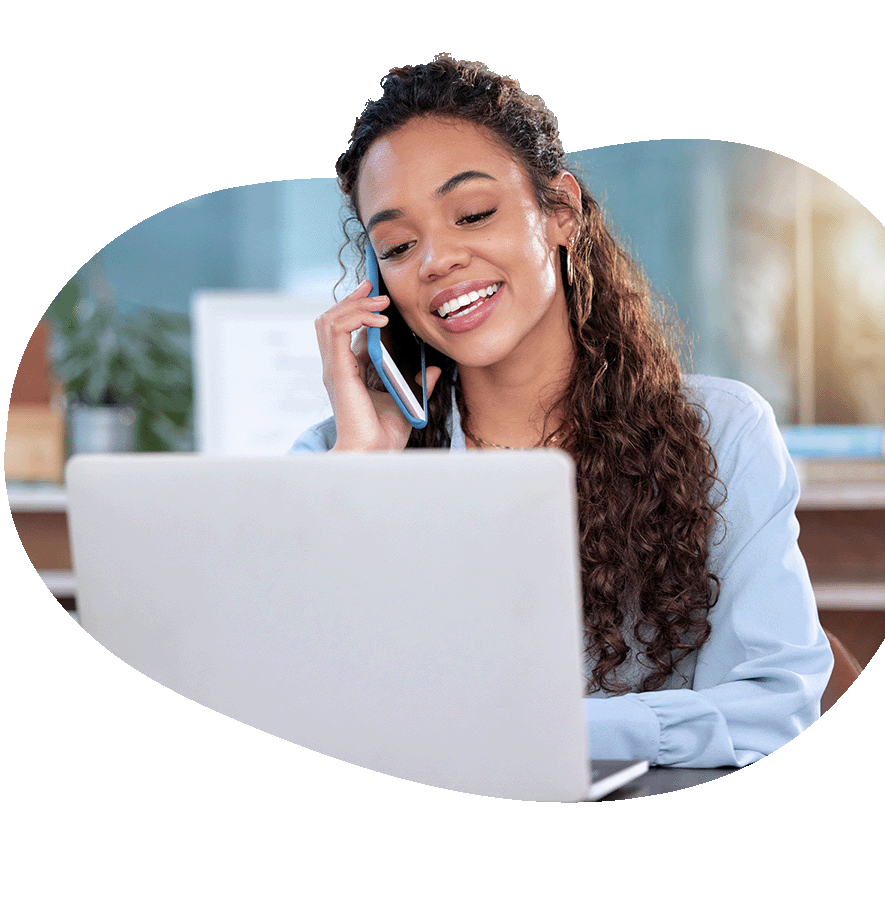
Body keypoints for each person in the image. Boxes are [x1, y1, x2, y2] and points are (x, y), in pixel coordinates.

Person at [291, 54, 833, 768]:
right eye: (396, 244)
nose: (435, 261)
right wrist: (360, 477)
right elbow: (300, 718)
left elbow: (771, 714)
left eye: (473, 214)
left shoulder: (718, 432)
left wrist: (539, 733)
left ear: (561, 212)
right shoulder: (335, 459)